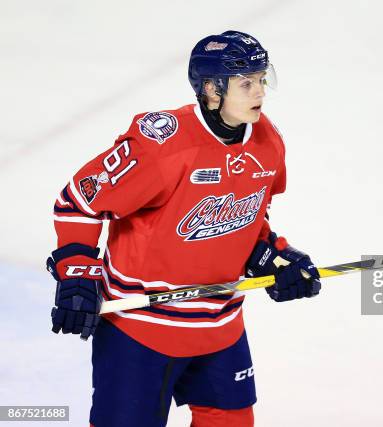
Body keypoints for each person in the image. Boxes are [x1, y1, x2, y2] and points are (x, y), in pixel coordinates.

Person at [47, 30, 321, 427]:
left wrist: (272, 255)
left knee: (232, 421)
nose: (259, 91)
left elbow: (249, 215)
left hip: (220, 321)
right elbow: (79, 202)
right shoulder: (161, 146)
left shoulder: (268, 141)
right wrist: (76, 272)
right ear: (211, 89)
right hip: (140, 326)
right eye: (246, 83)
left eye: (262, 79)